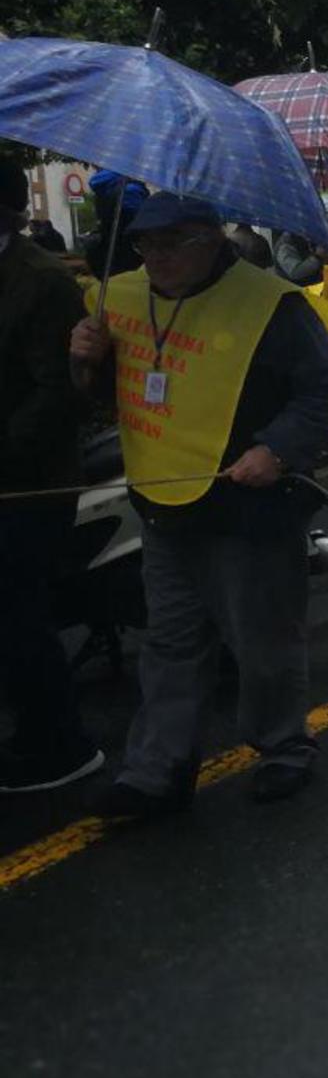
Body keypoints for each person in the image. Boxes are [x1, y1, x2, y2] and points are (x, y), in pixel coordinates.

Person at [66, 193, 328, 813]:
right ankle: (156, 769)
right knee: (170, 644)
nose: (157, 258)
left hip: (249, 511)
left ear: (211, 241)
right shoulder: (116, 296)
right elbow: (102, 395)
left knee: (262, 643)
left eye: (173, 245)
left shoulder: (272, 304)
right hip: (161, 502)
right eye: (147, 245)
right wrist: (84, 363)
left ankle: (284, 748)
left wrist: (276, 451)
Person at [0, 165, 99, 794]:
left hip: (29, 483)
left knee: (16, 616)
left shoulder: (41, 282)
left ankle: (60, 742)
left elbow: (57, 395)